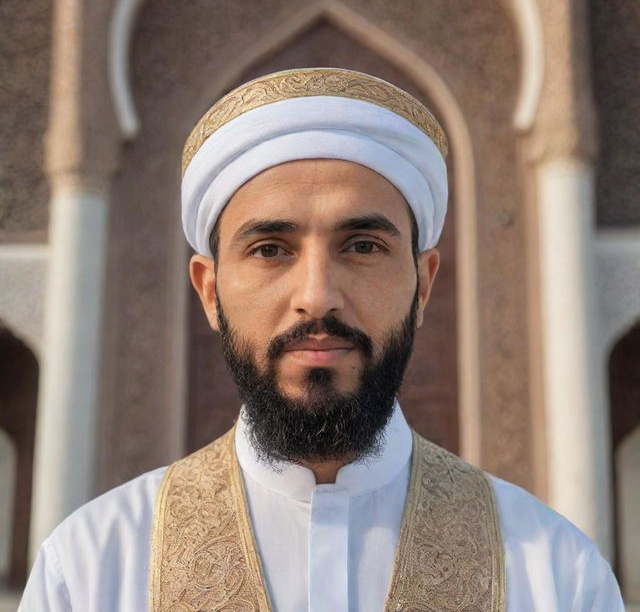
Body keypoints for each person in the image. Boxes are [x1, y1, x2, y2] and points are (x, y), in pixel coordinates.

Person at [19, 68, 624, 611]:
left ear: (423, 284)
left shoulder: (553, 573)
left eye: (362, 247)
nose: (317, 295)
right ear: (209, 290)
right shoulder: (94, 568)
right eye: (270, 250)